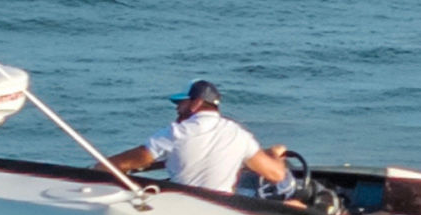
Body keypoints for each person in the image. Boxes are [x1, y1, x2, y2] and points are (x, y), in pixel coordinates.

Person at [111, 80, 292, 194]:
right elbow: (276, 174)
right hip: (225, 209)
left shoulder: (176, 133)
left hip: (186, 206)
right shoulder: (239, 135)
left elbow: (124, 163)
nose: (177, 108)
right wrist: (276, 155)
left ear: (196, 103)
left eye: (181, 102)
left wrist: (97, 169)